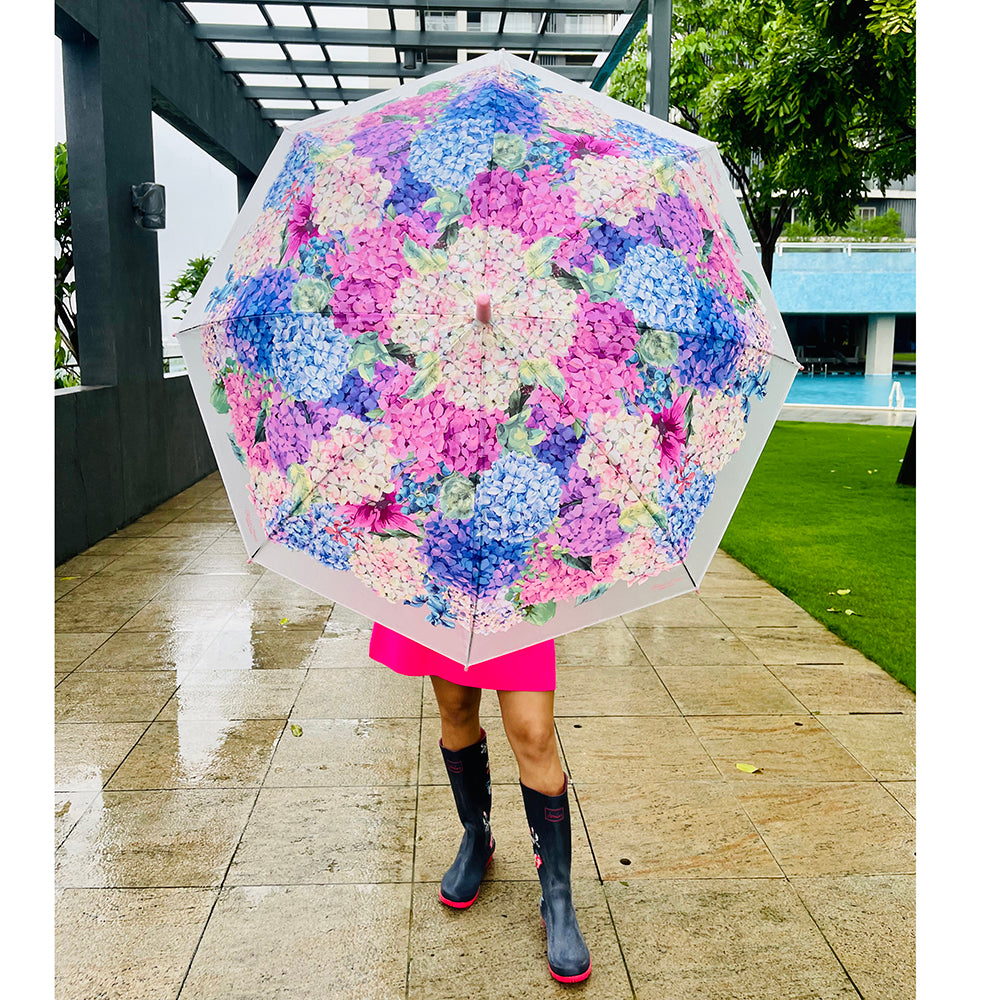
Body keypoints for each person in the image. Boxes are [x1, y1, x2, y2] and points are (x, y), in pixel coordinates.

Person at [369, 622, 591, 984]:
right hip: (445, 571)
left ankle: (557, 895)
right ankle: (477, 836)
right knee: (456, 708)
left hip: (518, 576)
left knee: (533, 732)